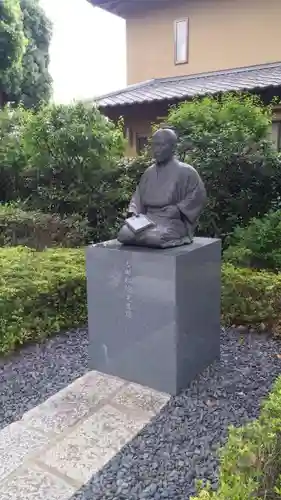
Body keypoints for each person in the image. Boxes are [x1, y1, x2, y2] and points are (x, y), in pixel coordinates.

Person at [117, 128, 207, 248]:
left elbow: (198, 195)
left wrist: (178, 209)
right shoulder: (149, 172)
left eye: (161, 145)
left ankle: (173, 237)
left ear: (173, 147)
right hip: (146, 220)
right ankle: (147, 234)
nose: (156, 150)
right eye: (154, 145)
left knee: (156, 238)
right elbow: (138, 197)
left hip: (170, 220)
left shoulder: (187, 172)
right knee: (124, 234)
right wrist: (134, 213)